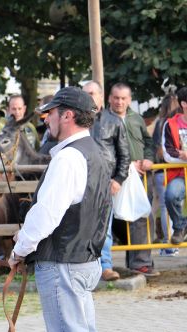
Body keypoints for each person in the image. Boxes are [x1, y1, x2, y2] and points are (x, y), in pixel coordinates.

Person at [8, 86, 111, 332]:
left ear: (67, 115)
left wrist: (20, 248)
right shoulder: (97, 154)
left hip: (64, 264)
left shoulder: (68, 159)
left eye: (51, 112)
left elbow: (46, 215)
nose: (46, 118)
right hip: (85, 260)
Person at [108, 82, 159, 276]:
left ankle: (141, 263)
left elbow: (148, 143)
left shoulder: (136, 119)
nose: (120, 102)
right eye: (116, 97)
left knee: (142, 217)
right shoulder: (103, 121)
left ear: (129, 99)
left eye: (123, 98)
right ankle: (104, 265)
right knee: (116, 221)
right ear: (110, 98)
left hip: (140, 178)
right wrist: (125, 166)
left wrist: (149, 158)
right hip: (115, 178)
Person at [82, 80, 130, 281]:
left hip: (105, 183)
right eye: (86, 93)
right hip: (79, 182)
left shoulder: (114, 121)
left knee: (104, 227)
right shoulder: (74, 120)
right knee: (82, 226)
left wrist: (118, 179)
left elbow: (124, 156)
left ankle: (105, 267)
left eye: (93, 93)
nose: (90, 97)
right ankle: (84, 267)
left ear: (102, 97)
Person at [151, 94, 180, 254]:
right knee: (170, 207)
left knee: (164, 207)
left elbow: (158, 149)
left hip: (162, 170)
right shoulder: (175, 124)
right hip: (173, 170)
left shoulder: (160, 123)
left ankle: (168, 242)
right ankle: (170, 242)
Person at [162, 86, 187, 244]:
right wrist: (182, 156)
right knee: (170, 195)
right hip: (178, 174)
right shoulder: (170, 124)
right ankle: (179, 226)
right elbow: (168, 154)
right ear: (184, 104)